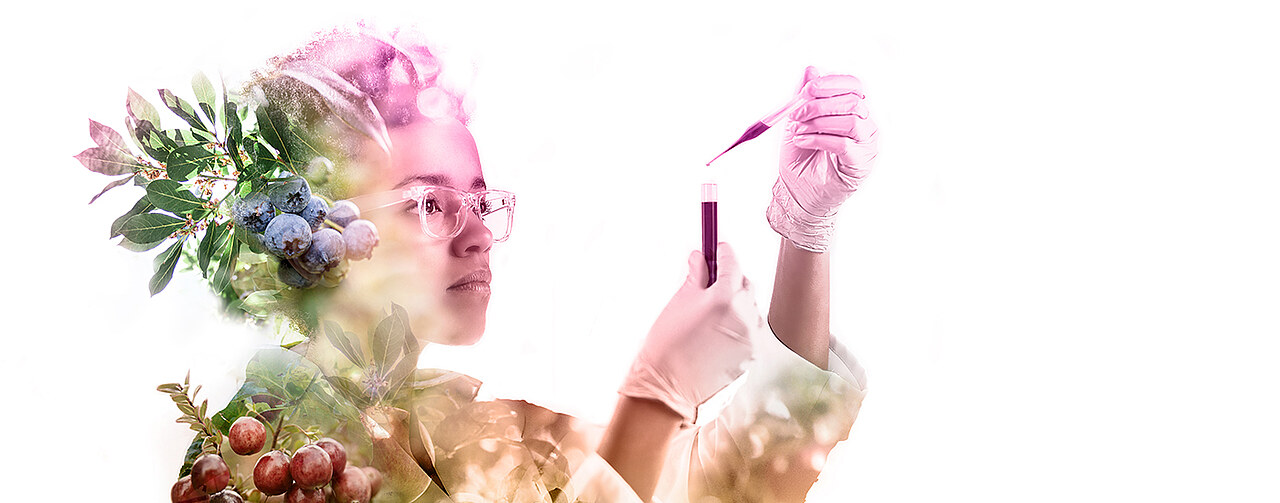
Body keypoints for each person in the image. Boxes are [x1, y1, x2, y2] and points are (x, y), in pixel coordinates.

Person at [149, 24, 873, 502]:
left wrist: (805, 231)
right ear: (311, 236)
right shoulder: (259, 454)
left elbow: (732, 481)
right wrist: (655, 397)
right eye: (427, 203)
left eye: (480, 200)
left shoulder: (468, 429)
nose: (479, 236)